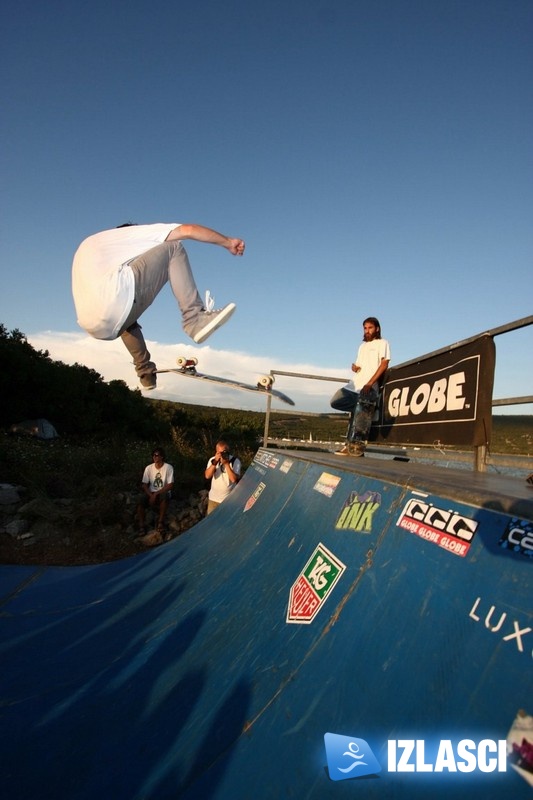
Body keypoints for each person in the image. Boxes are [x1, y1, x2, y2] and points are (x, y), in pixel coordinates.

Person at [72, 222, 245, 389]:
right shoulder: (134, 234)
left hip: (94, 326)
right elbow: (188, 230)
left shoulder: (94, 246)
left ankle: (145, 371)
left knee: (126, 317)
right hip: (115, 302)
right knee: (174, 247)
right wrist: (228, 242)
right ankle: (194, 319)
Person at [330, 317, 390, 457]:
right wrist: (355, 368)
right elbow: (359, 366)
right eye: (365, 328)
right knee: (336, 401)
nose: (367, 331)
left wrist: (370, 383)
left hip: (368, 387)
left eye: (370, 328)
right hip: (354, 386)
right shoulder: (362, 346)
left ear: (377, 329)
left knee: (358, 414)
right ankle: (364, 410)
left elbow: (384, 364)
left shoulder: (383, 343)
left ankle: (351, 447)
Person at [137, 448, 174, 533]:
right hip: (151, 492)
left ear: (162, 457)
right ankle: (141, 525)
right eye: (153, 455)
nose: (155, 457)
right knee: (140, 500)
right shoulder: (148, 468)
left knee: (164, 497)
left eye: (157, 455)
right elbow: (144, 484)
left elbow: (170, 485)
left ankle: (160, 522)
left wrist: (156, 494)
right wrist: (151, 495)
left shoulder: (168, 467)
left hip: (162, 491)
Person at [204, 440, 241, 515]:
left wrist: (227, 464)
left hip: (228, 500)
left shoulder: (235, 461)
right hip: (213, 499)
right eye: (220, 453)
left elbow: (234, 479)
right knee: (211, 522)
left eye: (224, 452)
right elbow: (207, 476)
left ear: (228, 451)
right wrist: (215, 462)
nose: (222, 455)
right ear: (216, 452)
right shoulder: (212, 460)